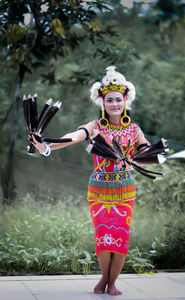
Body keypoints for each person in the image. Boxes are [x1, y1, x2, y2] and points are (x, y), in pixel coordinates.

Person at [29, 66, 150, 296]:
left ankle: (110, 282)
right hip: (98, 190)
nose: (114, 104)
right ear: (102, 103)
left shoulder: (134, 130)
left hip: (125, 191)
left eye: (118, 100)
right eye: (109, 100)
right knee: (104, 235)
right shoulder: (96, 127)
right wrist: (47, 146)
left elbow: (148, 157)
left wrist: (133, 161)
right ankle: (106, 279)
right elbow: (73, 137)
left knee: (121, 237)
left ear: (125, 101)